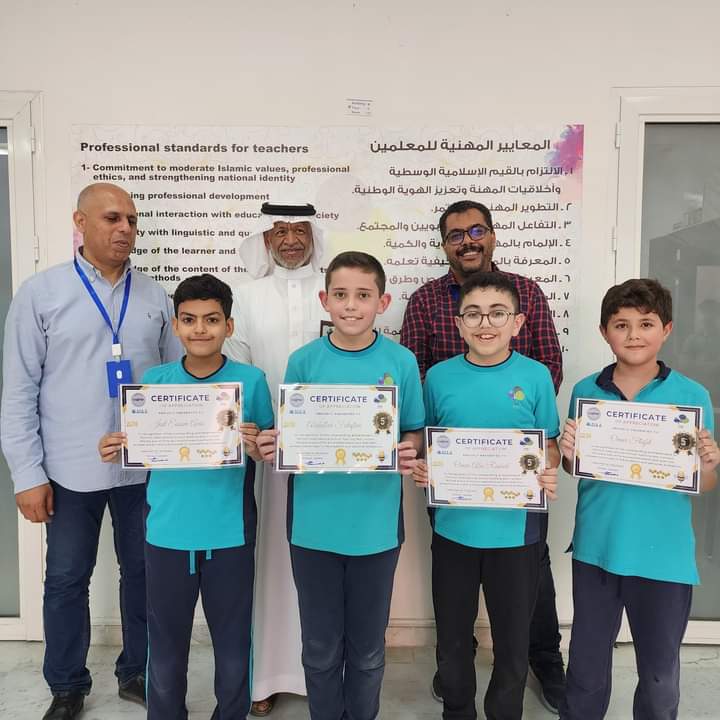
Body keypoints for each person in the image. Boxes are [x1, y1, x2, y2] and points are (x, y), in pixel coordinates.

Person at [0, 183, 182, 720]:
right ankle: (66, 686)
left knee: (144, 574)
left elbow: (175, 382)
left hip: (143, 470)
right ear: (80, 222)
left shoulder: (155, 296)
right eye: (112, 218)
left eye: (132, 220)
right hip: (68, 469)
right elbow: (18, 390)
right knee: (65, 579)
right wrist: (27, 474)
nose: (125, 228)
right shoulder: (41, 293)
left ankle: (137, 672)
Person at [400, 199, 566, 712]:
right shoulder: (438, 374)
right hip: (455, 517)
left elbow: (549, 440)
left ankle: (517, 694)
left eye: (497, 314)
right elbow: (426, 430)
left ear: (517, 321)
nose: (485, 322)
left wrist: (548, 464)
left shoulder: (534, 374)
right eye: (473, 315)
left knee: (514, 639)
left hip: (516, 523)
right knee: (453, 635)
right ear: (459, 323)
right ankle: (457, 704)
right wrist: (423, 461)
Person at [256, 251, 424, 720]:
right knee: (320, 646)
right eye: (342, 295)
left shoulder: (401, 361)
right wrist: (273, 443)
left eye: (363, 295)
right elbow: (290, 433)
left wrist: (408, 449)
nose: (352, 305)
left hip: (376, 530)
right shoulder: (303, 361)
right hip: (312, 529)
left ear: (382, 302)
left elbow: (413, 430)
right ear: (324, 300)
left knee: (368, 650)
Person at [99, 273, 274, 720]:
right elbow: (138, 444)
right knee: (165, 644)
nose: (200, 329)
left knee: (233, 643)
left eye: (212, 320)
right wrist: (116, 445)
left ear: (228, 326)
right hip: (166, 534)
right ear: (175, 325)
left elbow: (269, 448)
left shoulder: (251, 381)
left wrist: (258, 445)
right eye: (190, 319)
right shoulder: (154, 382)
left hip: (229, 534)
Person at [558, 278, 720, 720]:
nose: (633, 335)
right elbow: (576, 467)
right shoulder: (586, 391)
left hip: (663, 556)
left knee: (659, 677)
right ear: (604, 331)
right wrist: (569, 455)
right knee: (586, 669)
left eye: (646, 324)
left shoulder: (692, 396)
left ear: (666, 329)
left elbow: (704, 483)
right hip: (597, 549)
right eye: (621, 324)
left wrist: (708, 464)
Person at [224, 201, 329, 715]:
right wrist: (259, 432)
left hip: (330, 455)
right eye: (279, 231)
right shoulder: (245, 295)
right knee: (269, 563)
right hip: (266, 453)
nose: (290, 240)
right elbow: (238, 372)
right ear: (265, 239)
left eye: (299, 229)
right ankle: (266, 676)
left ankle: (323, 676)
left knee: (324, 564)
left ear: (313, 233)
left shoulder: (336, 289)